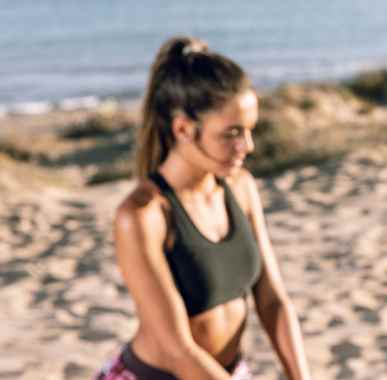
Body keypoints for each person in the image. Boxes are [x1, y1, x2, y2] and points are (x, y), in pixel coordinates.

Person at [95, 36, 311, 380]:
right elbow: (176, 348)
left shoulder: (241, 188)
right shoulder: (143, 214)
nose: (248, 146)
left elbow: (272, 302)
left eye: (251, 130)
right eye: (232, 133)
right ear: (183, 129)